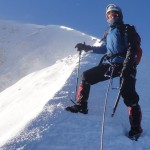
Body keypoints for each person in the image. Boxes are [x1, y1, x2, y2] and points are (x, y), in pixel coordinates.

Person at [66, 4, 143, 138]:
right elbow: (103, 48)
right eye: (109, 15)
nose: (112, 17)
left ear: (120, 16)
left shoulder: (127, 29)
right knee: (86, 76)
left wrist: (127, 65)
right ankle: (81, 106)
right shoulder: (108, 32)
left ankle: (136, 128)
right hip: (112, 64)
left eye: (115, 14)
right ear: (107, 17)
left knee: (128, 94)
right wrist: (87, 47)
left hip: (127, 65)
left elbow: (132, 47)